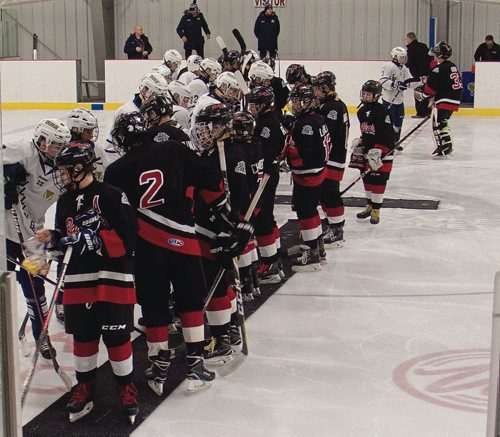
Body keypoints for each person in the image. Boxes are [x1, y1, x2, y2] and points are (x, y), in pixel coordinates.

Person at [105, 111, 251, 394]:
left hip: (147, 249)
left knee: (155, 307)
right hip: (185, 242)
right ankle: (195, 365)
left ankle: (159, 367)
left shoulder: (115, 170)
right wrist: (231, 221)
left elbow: (117, 218)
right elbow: (208, 180)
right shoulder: (173, 149)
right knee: (191, 303)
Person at [36, 141, 139, 424]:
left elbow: (129, 239)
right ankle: (85, 386)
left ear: (81, 166)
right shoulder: (66, 201)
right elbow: (66, 240)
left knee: (117, 337)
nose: (64, 175)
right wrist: (51, 244)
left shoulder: (112, 195)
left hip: (110, 279)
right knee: (83, 338)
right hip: (79, 280)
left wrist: (95, 239)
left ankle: (125, 387)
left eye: (67, 170)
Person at [4, 119, 71, 359]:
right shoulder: (22, 151)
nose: (60, 150)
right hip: (4, 231)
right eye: (55, 145)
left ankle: (41, 337)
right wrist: (5, 178)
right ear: (41, 142)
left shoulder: (63, 167)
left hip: (35, 234)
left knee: (36, 289)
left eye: (63, 145)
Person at [284, 84, 329, 271]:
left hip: (308, 175)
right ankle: (318, 247)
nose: (294, 104)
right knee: (310, 210)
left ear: (307, 102)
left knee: (305, 211)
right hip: (317, 174)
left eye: (297, 100)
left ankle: (311, 255)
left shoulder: (306, 125)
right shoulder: (315, 118)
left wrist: (289, 161)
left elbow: (306, 155)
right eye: (293, 100)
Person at [247, 86, 286, 283]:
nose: (252, 107)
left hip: (265, 176)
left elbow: (262, 153)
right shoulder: (272, 119)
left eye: (255, 104)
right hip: (271, 172)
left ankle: (270, 264)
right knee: (267, 216)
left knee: (261, 218)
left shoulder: (265, 125)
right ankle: (275, 256)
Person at [312, 71, 350, 248]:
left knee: (330, 193)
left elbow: (326, 133)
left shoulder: (332, 107)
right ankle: (332, 224)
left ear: (326, 88)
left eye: (318, 89)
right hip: (332, 157)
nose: (316, 92)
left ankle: (337, 229)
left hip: (333, 158)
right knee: (325, 193)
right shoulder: (332, 105)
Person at [354, 80, 394, 225]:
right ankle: (369, 205)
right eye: (364, 93)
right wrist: (361, 140)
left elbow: (388, 135)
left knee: (378, 181)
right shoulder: (361, 111)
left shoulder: (383, 111)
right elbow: (367, 132)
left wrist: (379, 150)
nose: (365, 96)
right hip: (367, 151)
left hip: (382, 153)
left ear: (376, 95)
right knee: (367, 180)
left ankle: (376, 210)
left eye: (368, 94)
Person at [421, 41, 463, 157]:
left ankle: (447, 145)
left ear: (439, 55)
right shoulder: (452, 65)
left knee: (441, 122)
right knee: (442, 121)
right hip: (454, 97)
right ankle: (444, 144)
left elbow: (431, 87)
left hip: (446, 99)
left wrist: (424, 95)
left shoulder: (438, 69)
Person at [380, 47, 421, 146]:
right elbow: (383, 80)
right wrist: (394, 84)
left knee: (398, 123)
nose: (404, 59)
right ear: (395, 57)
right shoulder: (389, 66)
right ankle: (387, 142)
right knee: (388, 123)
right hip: (389, 100)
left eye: (404, 57)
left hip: (399, 100)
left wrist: (419, 82)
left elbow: (408, 82)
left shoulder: (404, 68)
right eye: (401, 57)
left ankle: (395, 142)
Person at [405, 32, 432, 118]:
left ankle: (421, 112)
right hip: (427, 73)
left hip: (417, 75)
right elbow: (430, 58)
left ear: (410, 39)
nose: (406, 41)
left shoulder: (411, 49)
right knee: (426, 91)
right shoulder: (423, 46)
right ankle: (428, 111)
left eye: (406, 39)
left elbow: (408, 62)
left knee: (418, 92)